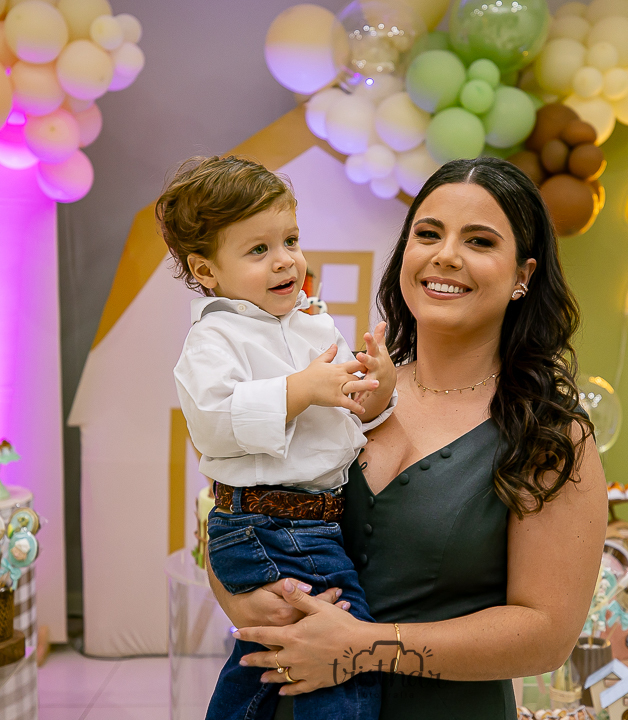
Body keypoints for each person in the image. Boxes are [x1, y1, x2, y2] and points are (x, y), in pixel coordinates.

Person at [207, 157, 608, 720]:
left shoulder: (549, 433)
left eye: (480, 241)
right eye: (428, 234)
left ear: (523, 274)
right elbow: (239, 517)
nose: (446, 255)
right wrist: (244, 600)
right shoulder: (343, 387)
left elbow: (546, 635)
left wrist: (364, 648)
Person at [159, 156, 398, 720]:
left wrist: (378, 390)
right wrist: (299, 389)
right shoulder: (215, 336)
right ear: (207, 270)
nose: (285, 259)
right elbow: (214, 422)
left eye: (290, 239)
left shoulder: (312, 323)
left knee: (270, 658)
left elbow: (344, 420)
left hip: (310, 522)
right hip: (268, 522)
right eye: (258, 249)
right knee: (346, 653)